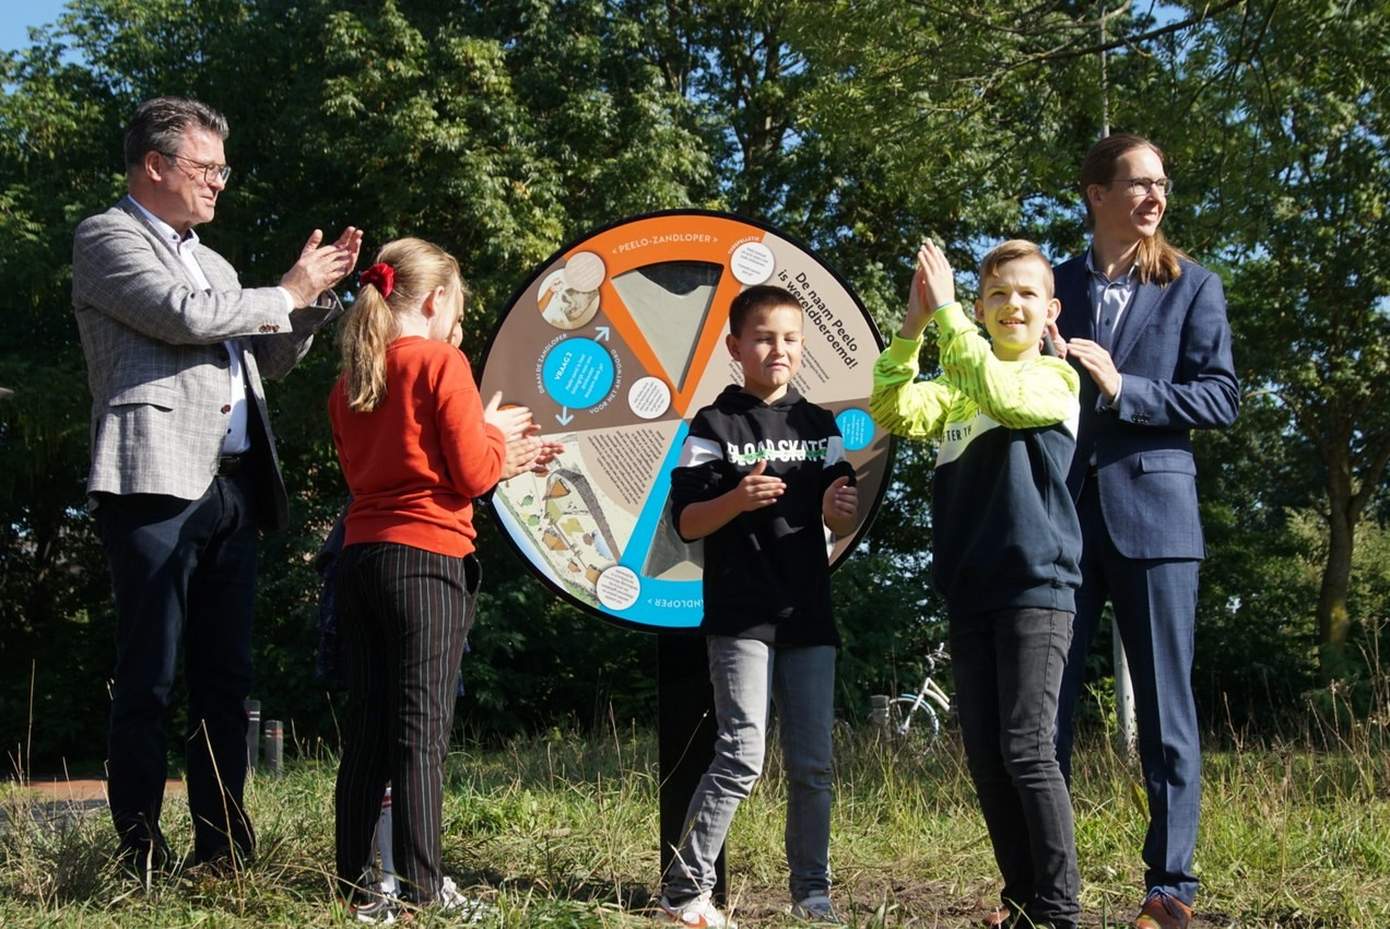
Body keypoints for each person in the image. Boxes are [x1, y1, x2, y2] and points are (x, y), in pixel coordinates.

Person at [71, 95, 362, 877]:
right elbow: (181, 315)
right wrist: (290, 290)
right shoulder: (106, 238)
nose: (219, 184)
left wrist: (314, 304)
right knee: (149, 677)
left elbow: (261, 357)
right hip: (152, 482)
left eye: (223, 169)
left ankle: (222, 848)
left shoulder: (218, 261)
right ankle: (139, 854)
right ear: (156, 165)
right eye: (207, 168)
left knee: (226, 681)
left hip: (231, 489)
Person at [328, 237, 553, 922]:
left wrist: (491, 446)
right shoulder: (440, 360)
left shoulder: (349, 381)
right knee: (421, 734)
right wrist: (499, 447)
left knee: (368, 730)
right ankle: (426, 891)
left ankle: (357, 887)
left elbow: (383, 468)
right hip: (427, 558)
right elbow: (473, 473)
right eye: (458, 304)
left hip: (359, 557)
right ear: (435, 300)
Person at [1051, 133, 1238, 929]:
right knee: (1042, 714)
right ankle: (1038, 887)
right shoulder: (1047, 287)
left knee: (1166, 713)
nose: (1156, 196)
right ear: (1097, 193)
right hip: (1055, 521)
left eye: (1163, 183)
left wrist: (1125, 387)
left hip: (1158, 521)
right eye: (1140, 182)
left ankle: (1170, 890)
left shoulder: (1195, 287)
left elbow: (1222, 399)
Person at [870, 239, 1083, 929]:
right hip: (970, 591)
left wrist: (951, 315)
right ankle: (1021, 901)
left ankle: (1058, 909)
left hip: (1036, 585)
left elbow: (1001, 392)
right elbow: (890, 408)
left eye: (1024, 293)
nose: (1010, 305)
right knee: (989, 756)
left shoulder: (1054, 379)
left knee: (1028, 746)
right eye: (996, 295)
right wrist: (912, 326)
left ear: (1049, 310)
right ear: (984, 308)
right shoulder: (958, 386)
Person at [660, 284, 859, 928]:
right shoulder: (713, 425)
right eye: (765, 337)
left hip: (808, 613)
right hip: (740, 612)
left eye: (791, 338)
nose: (779, 348)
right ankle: (685, 892)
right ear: (735, 347)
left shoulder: (820, 427)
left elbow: (840, 510)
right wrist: (738, 500)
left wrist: (836, 511)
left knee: (813, 765)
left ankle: (812, 895)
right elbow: (687, 523)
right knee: (742, 752)